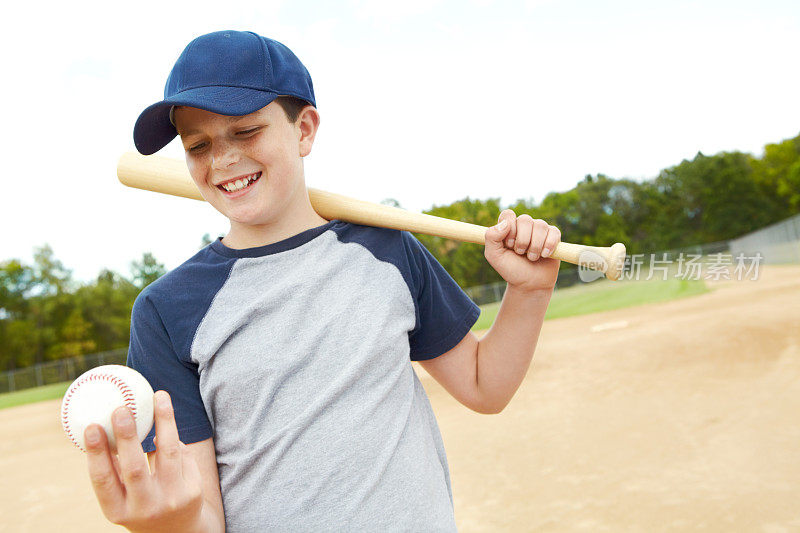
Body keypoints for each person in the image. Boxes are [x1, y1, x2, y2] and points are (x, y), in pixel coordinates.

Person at [83, 30, 562, 532]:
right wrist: (173, 521)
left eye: (245, 132)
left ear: (305, 129)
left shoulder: (386, 249)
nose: (221, 160)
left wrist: (529, 291)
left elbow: (485, 387)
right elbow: (204, 519)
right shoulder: (167, 309)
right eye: (197, 145)